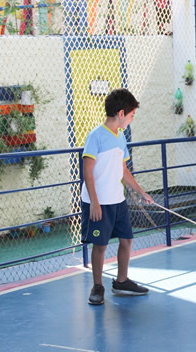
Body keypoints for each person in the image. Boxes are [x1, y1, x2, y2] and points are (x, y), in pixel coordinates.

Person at [81, 88, 154, 305]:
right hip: (98, 202)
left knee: (127, 239)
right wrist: (94, 202)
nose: (132, 119)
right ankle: (97, 286)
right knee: (100, 245)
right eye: (131, 115)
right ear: (121, 113)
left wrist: (141, 192)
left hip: (117, 200)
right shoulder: (95, 136)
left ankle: (121, 281)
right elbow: (87, 171)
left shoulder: (120, 137)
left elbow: (123, 170)